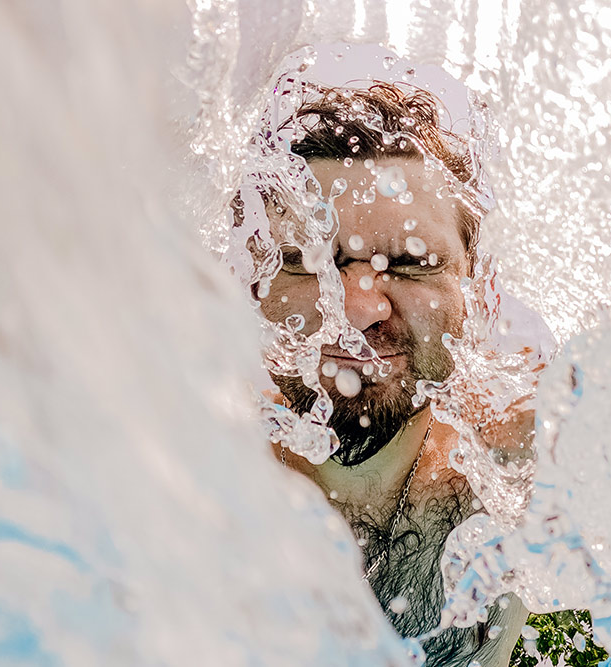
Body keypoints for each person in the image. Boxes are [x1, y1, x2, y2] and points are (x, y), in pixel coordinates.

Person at [234, 82, 546, 666]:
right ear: (256, 284)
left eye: (409, 263)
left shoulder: (525, 460)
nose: (357, 310)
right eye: (308, 261)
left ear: (475, 291)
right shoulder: (186, 463)